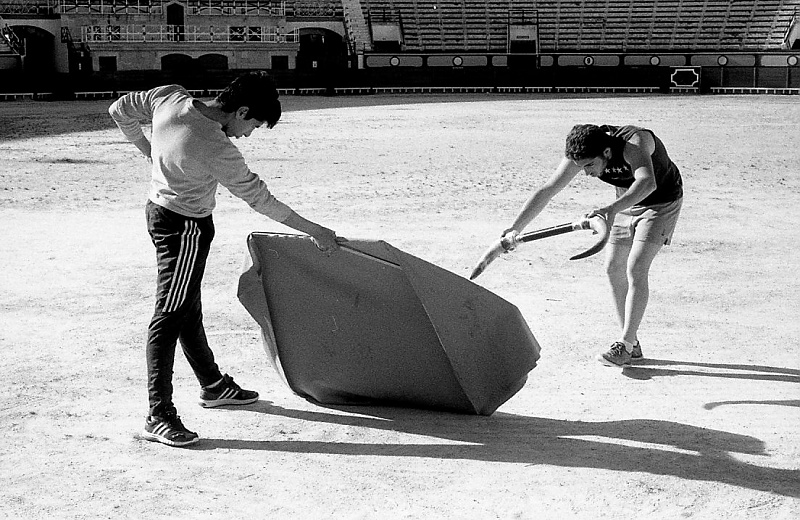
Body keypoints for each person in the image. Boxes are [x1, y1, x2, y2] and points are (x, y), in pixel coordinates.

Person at [109, 71, 341, 447]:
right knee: (169, 315)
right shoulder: (215, 146)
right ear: (242, 111)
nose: (247, 135)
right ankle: (159, 414)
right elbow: (260, 198)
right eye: (252, 125)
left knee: (185, 306)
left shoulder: (170, 97)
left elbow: (119, 109)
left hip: (159, 211)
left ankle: (213, 384)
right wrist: (314, 230)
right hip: (185, 229)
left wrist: (150, 151)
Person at [502, 124, 683, 368]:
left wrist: (610, 209)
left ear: (606, 153)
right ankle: (632, 343)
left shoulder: (634, 142)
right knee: (613, 267)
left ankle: (625, 345)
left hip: (661, 203)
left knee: (636, 267)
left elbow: (647, 182)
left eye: (589, 165)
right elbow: (548, 189)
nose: (586, 173)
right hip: (625, 203)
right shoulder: (583, 151)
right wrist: (514, 229)